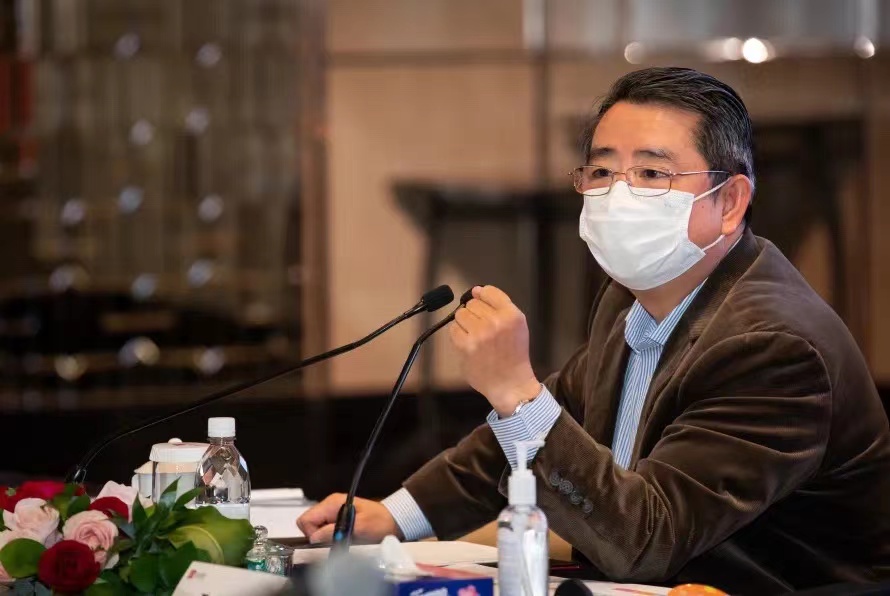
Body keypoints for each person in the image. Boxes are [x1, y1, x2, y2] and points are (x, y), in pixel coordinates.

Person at [298, 67, 890, 594]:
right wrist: (396, 515)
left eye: (652, 173)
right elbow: (551, 423)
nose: (619, 194)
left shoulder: (772, 348)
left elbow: (645, 541)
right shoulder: (629, 299)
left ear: (730, 202)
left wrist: (515, 391)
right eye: (603, 171)